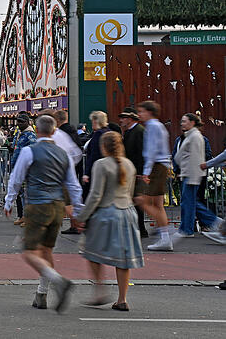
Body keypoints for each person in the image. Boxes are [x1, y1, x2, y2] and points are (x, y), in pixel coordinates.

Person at [4, 114, 83, 313]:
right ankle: (42, 293)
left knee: (29, 251)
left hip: (38, 204)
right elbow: (73, 185)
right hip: (57, 205)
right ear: (54, 131)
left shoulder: (30, 151)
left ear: (37, 130)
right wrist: (78, 211)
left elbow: (16, 178)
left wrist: (9, 201)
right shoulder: (63, 153)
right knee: (47, 250)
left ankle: (59, 281)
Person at [76, 132, 144, 311]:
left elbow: (95, 195)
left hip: (106, 213)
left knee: (90, 250)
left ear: (103, 146)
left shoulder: (100, 165)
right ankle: (122, 299)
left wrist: (82, 216)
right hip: (127, 212)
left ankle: (99, 290)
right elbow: (130, 193)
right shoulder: (129, 165)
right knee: (123, 259)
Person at [172, 113, 223, 243]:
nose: (182, 123)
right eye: (181, 121)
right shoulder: (190, 136)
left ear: (192, 123)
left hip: (191, 174)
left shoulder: (194, 137)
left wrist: (185, 170)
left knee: (189, 202)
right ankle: (189, 227)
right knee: (190, 202)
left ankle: (210, 222)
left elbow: (193, 158)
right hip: (190, 174)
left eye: (185, 121)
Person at [134, 101, 174, 251]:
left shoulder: (151, 127)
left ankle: (166, 230)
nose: (139, 115)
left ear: (149, 112)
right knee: (158, 204)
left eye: (141, 111)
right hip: (162, 166)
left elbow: (151, 151)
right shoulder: (159, 126)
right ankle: (165, 237)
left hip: (156, 167)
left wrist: (146, 172)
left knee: (142, 201)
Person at [118, 108, 149, 238]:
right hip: (132, 172)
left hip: (136, 173)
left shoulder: (139, 131)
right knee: (134, 201)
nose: (121, 120)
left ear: (130, 119)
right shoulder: (131, 131)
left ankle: (141, 228)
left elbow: (142, 153)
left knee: (137, 201)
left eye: (123, 118)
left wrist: (141, 172)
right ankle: (138, 228)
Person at [9, 112, 37, 225]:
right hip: (16, 167)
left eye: (22, 121)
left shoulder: (30, 135)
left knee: (25, 194)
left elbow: (34, 148)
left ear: (28, 122)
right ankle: (21, 216)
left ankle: (28, 217)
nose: (19, 123)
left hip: (26, 168)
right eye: (18, 121)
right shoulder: (19, 133)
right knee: (18, 192)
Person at [82, 112, 112, 194]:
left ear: (96, 121)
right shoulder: (109, 132)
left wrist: (87, 173)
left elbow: (94, 155)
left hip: (96, 170)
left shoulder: (98, 134)